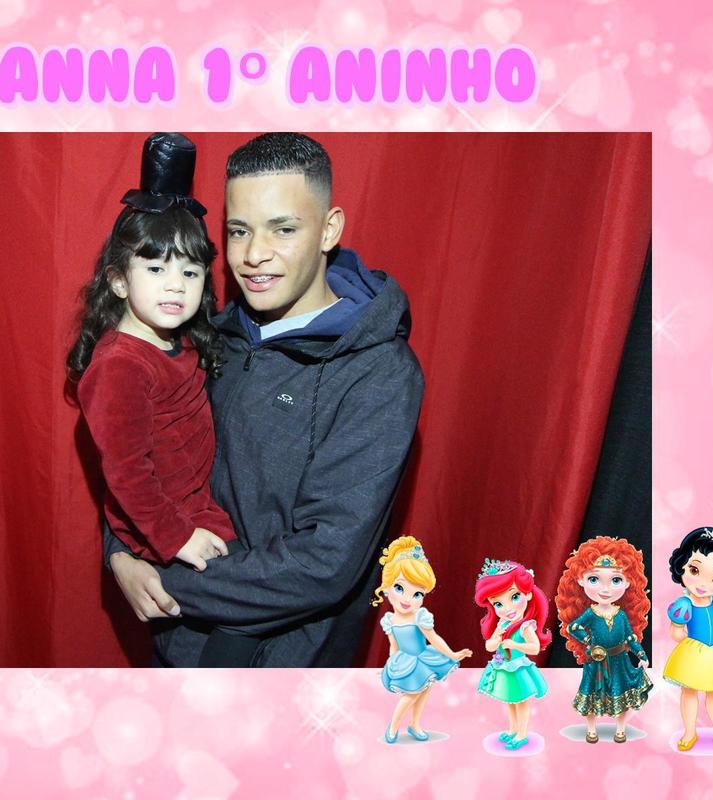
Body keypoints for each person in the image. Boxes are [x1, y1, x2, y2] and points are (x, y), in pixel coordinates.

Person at [105, 132, 424, 667]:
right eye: (239, 231)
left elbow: (323, 562)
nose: (254, 255)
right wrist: (119, 553)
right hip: (174, 641)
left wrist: (162, 578)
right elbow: (134, 452)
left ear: (329, 230)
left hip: (279, 666)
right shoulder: (209, 334)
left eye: (283, 229)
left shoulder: (379, 374)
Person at [69, 132, 235, 575]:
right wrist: (176, 536)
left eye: (190, 272)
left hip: (197, 510)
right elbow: (128, 474)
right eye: (157, 268)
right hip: (166, 534)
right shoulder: (120, 366)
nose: (176, 284)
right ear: (119, 281)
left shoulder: (178, 341)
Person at [372, 536, 472, 743]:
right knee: (411, 694)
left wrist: (452, 654)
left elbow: (433, 638)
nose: (407, 599)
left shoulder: (420, 617)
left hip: (423, 658)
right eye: (400, 588)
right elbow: (393, 646)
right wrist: (391, 665)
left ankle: (415, 724)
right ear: (387, 587)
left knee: (424, 690)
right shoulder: (390, 620)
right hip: (405, 662)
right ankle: (393, 726)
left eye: (417, 594)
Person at [554, 536, 653, 744]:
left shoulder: (622, 615)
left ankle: (620, 729)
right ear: (580, 580)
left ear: (628, 582)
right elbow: (573, 627)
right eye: (594, 579)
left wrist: (641, 655)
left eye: (615, 580)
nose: (605, 589)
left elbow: (630, 638)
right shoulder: (590, 613)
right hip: (596, 661)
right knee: (591, 695)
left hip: (620, 661)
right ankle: (591, 729)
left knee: (622, 695)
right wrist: (589, 642)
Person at [662, 526, 713, 751]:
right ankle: (689, 732)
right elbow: (676, 633)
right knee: (689, 692)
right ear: (682, 565)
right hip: (694, 654)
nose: (703, 584)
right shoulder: (684, 605)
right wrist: (683, 634)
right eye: (695, 571)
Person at [474, 559, 550, 751]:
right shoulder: (502, 624)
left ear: (528, 594)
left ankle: (522, 733)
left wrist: (514, 644)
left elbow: (534, 648)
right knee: (510, 700)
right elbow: (490, 646)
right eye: (498, 604)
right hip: (504, 668)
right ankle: (513, 729)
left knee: (521, 702)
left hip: (518, 668)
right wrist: (497, 638)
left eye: (514, 597)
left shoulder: (525, 627)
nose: (507, 608)